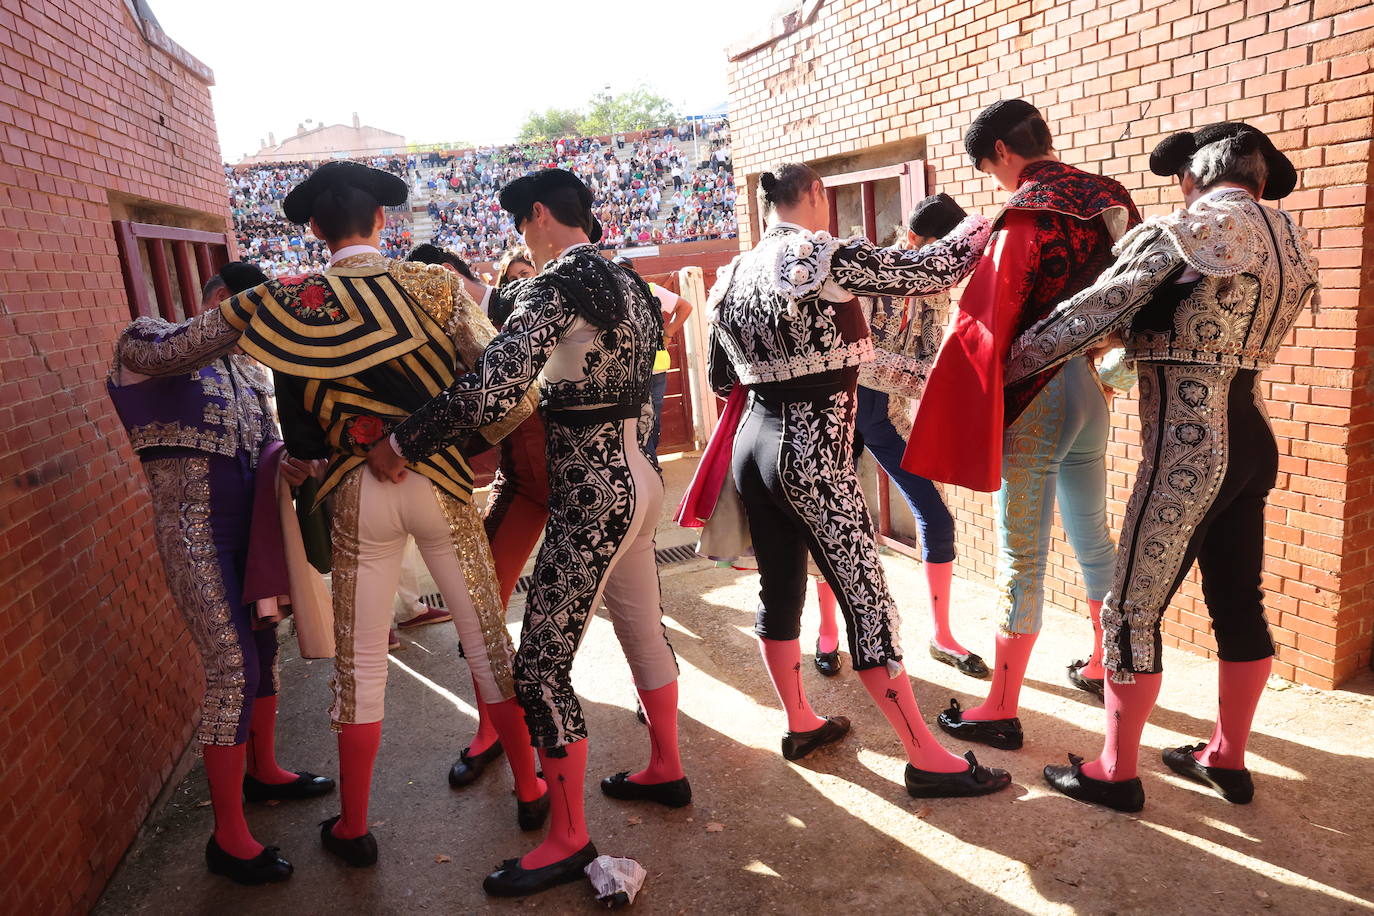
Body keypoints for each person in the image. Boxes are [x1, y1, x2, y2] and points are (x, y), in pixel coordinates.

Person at [114, 160, 548, 869]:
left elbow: (300, 436)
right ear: (382, 220)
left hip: (354, 490)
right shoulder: (436, 285)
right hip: (438, 479)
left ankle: (354, 825)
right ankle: (531, 787)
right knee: (485, 640)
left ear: (315, 229)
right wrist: (446, 442)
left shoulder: (288, 303)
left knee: (361, 663)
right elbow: (513, 391)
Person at [367, 169, 687, 898]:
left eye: (520, 224)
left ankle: (569, 837)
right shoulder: (632, 282)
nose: (522, 238)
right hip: (640, 477)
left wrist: (404, 441)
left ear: (538, 214)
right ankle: (666, 767)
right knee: (643, 630)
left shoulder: (551, 286)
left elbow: (494, 389)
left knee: (540, 668)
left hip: (592, 490)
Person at [1004, 123, 1318, 811]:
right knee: (1238, 599)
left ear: (1192, 177)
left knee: (1130, 610)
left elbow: (1087, 317)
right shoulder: (1290, 240)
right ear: (1260, 180)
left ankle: (1114, 773)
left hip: (1189, 448)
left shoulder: (1186, 231)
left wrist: (998, 367)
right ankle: (1225, 759)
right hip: (1253, 437)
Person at [707, 160, 1012, 799]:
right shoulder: (821, 255)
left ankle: (799, 722)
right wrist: (989, 219)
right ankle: (925, 758)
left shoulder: (732, 273)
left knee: (779, 587)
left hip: (752, 447)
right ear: (816, 193)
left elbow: (718, 377)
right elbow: (936, 268)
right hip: (813, 454)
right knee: (867, 601)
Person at [904, 100, 1141, 752]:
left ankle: (1001, 707)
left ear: (1003, 152)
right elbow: (1137, 293)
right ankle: (1101, 663)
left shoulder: (1025, 213)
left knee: (1022, 556)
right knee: (1093, 537)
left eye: (990, 167)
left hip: (1039, 395)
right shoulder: (1111, 198)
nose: (996, 180)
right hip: (1093, 386)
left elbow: (989, 320)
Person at [108, 262, 334, 886]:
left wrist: (290, 464)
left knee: (263, 650)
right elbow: (181, 348)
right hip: (195, 536)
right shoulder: (144, 339)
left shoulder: (251, 370)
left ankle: (266, 771)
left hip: (250, 536)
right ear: (221, 300)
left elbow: (267, 450)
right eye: (246, 315)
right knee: (232, 671)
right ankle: (228, 838)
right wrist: (268, 301)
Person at [814, 193, 989, 681]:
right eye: (938, 251)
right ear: (913, 239)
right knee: (831, 519)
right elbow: (859, 355)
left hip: (886, 417)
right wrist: (929, 380)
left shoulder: (935, 291)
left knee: (937, 516)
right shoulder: (871, 271)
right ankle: (827, 632)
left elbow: (929, 357)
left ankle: (942, 635)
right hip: (842, 411)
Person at [411, 241, 550, 790]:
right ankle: (492, 729)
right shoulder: (435, 333)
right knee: (479, 607)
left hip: (584, 476)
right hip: (523, 482)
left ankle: (650, 697)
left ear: (447, 275)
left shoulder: (525, 300)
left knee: (631, 606)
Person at [613, 254, 694, 457]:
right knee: (639, 417)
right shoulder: (623, 293)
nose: (625, 275)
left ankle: (648, 460)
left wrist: (669, 331)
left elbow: (685, 306)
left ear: (635, 272)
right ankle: (645, 461)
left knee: (648, 417)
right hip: (632, 369)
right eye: (620, 270)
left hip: (648, 367)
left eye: (627, 270)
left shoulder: (648, 290)